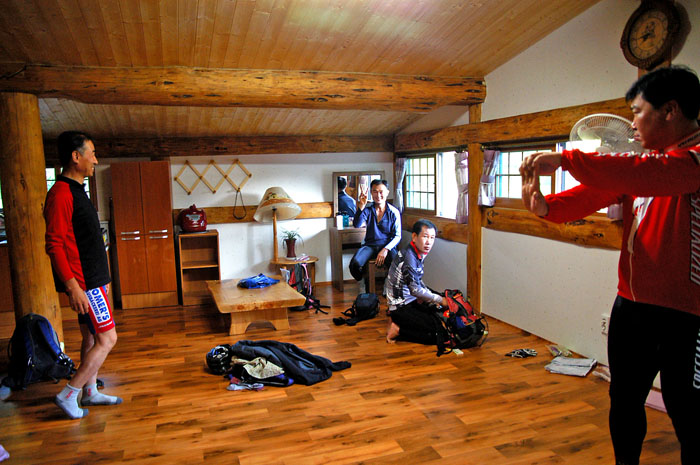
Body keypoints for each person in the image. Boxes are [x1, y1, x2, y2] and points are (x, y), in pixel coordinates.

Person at [520, 66, 700, 465]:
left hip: (685, 314)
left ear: (670, 110)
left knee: (686, 407)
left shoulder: (690, 160)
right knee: (624, 398)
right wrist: (546, 207)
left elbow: (645, 173)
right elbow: (598, 191)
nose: (632, 124)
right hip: (631, 305)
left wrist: (566, 159)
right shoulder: (648, 163)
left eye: (638, 111)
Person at [44, 131, 121, 419]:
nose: (95, 160)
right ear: (76, 157)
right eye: (92, 154)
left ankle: (90, 391)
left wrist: (104, 279)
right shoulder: (61, 193)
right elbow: (55, 244)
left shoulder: (77, 190)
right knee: (108, 339)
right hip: (84, 282)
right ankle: (69, 393)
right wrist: (73, 287)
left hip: (94, 280)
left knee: (90, 336)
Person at [385, 219, 448, 344]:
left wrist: (433, 296)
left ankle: (398, 321)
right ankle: (398, 330)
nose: (429, 242)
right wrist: (440, 299)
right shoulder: (409, 257)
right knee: (436, 335)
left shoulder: (416, 251)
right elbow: (415, 290)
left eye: (432, 238)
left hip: (410, 299)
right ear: (414, 237)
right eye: (425, 236)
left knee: (437, 319)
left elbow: (417, 280)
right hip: (401, 305)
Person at [350, 179, 401, 291]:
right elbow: (357, 224)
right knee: (355, 264)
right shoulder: (368, 210)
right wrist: (361, 206)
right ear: (371, 193)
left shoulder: (394, 212)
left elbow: (397, 236)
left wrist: (386, 249)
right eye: (375, 191)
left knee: (397, 265)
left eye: (381, 192)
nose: (378, 195)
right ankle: (362, 282)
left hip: (388, 246)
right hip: (370, 245)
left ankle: (388, 283)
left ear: (387, 192)